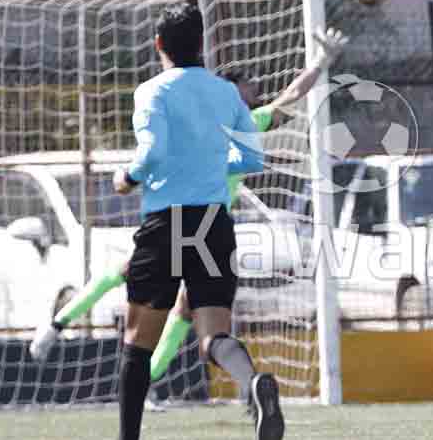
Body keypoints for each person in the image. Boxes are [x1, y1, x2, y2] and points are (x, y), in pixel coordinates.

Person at [29, 29, 348, 389]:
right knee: (144, 284)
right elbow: (288, 98)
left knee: (171, 300)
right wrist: (322, 62)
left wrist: (321, 64)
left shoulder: (238, 123)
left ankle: (129, 374)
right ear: (230, 89)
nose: (255, 90)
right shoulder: (226, 122)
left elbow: (290, 98)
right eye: (247, 85)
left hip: (195, 223)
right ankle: (60, 329)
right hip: (197, 222)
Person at [109, 1, 281, 440]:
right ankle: (253, 383)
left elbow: (153, 154)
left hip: (166, 224)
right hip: (211, 223)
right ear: (202, 43)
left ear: (158, 44)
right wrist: (209, 162)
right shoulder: (226, 93)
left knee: (138, 341)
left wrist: (126, 177)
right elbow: (251, 157)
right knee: (214, 337)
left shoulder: (152, 92)